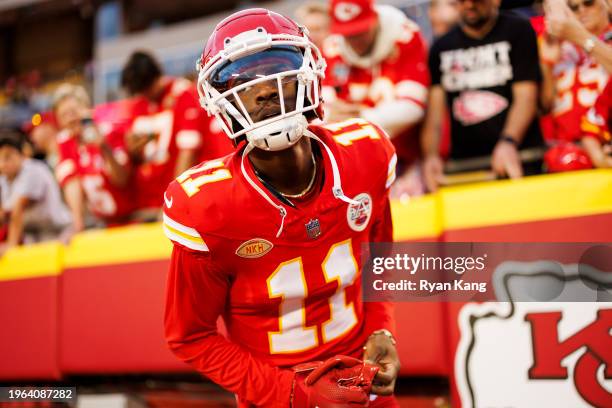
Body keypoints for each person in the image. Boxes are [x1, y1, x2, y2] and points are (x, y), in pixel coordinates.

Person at [163, 8, 400, 407]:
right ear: (218, 100)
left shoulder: (366, 153)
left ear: (309, 73)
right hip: (274, 395)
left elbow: (380, 258)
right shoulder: (207, 206)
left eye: (276, 68)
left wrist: (382, 329)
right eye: (242, 81)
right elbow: (189, 336)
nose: (265, 89)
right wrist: (296, 394)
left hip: (363, 385)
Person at [422, 0, 544, 192]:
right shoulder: (441, 47)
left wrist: (508, 142)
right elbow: (434, 115)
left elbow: (526, 97)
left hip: (522, 157)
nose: (469, 5)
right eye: (461, 1)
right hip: (465, 166)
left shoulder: (518, 30)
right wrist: (431, 156)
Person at [322, 0, 429, 197]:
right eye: (348, 33)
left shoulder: (405, 37)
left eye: (360, 31)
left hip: (406, 158)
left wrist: (360, 118)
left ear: (375, 19)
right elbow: (321, 110)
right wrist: (330, 114)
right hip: (355, 164)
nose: (354, 39)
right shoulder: (332, 48)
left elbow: (413, 107)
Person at [121, 51, 231, 217]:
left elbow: (187, 153)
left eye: (143, 91)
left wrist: (173, 200)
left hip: (178, 200)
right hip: (146, 202)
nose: (142, 96)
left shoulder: (183, 94)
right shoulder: (140, 105)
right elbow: (133, 153)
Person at [538, 0, 612, 171]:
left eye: (588, 3)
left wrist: (581, 37)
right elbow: (544, 106)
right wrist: (547, 66)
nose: (582, 11)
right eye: (573, 7)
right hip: (566, 154)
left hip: (605, 149)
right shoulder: (551, 45)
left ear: (607, 4)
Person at [53, 84, 135, 231]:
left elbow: (122, 179)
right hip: (102, 224)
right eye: (63, 115)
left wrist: (104, 148)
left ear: (87, 109)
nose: (70, 119)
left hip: (132, 219)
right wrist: (77, 223)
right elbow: (71, 181)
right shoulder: (65, 142)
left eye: (73, 112)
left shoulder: (109, 131)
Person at [0, 131, 72, 251]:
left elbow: (18, 209)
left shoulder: (32, 170)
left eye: (8, 157)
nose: (2, 164)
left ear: (22, 155)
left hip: (60, 232)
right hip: (33, 235)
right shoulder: (3, 179)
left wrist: (11, 245)